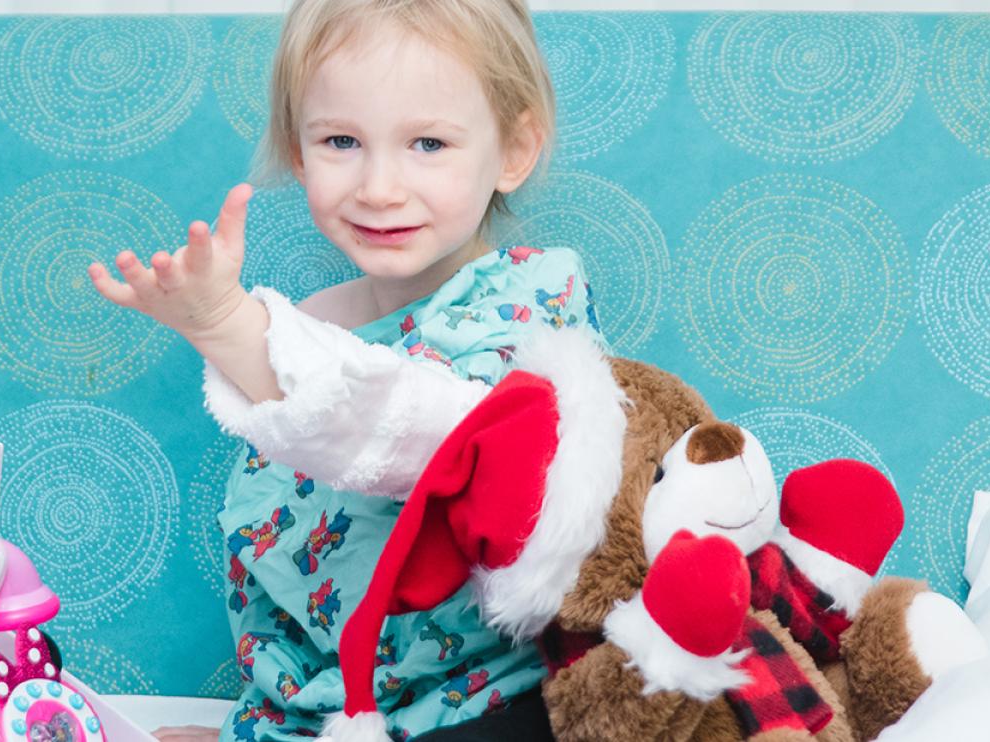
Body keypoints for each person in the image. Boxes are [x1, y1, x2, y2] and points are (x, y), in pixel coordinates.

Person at [89, 1, 605, 739]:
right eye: (341, 141)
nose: (378, 188)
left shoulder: (531, 299)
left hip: (490, 700)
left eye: (428, 143)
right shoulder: (308, 324)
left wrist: (230, 330)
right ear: (298, 151)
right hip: (323, 711)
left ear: (515, 150)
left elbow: (423, 435)